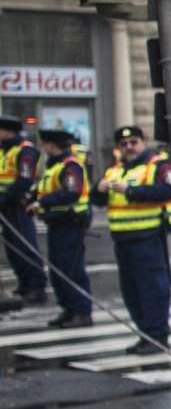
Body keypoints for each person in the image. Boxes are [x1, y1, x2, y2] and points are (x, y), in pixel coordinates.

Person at [93, 125, 171, 353]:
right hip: (123, 240)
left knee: (152, 290)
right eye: (124, 144)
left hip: (148, 237)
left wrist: (131, 191)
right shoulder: (115, 170)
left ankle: (158, 336)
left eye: (133, 142)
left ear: (143, 142)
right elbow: (97, 200)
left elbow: (167, 191)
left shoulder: (157, 165)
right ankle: (145, 335)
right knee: (132, 292)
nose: (129, 147)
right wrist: (99, 189)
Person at [33, 127, 92, 329]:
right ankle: (69, 309)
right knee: (58, 271)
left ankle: (81, 311)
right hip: (57, 223)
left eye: (45, 144)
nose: (43, 148)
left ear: (51, 145)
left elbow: (71, 192)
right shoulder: (54, 166)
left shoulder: (70, 165)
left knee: (72, 270)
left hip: (70, 224)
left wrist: (43, 202)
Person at [0, 115, 47, 304]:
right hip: (5, 206)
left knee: (25, 246)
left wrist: (3, 198)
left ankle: (36, 286)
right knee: (13, 249)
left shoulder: (25, 150)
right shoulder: (4, 150)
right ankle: (24, 284)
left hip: (17, 205)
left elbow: (24, 180)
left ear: (8, 131)